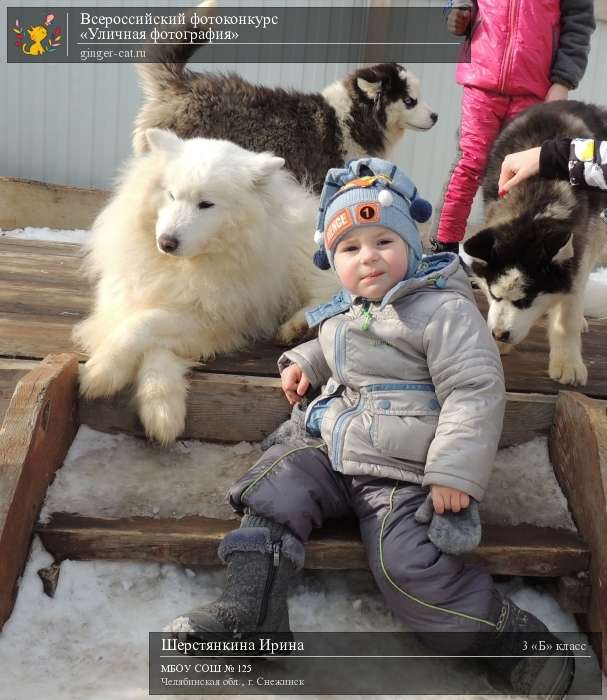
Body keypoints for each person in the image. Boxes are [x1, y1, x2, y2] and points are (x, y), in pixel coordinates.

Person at [168, 159, 574, 697]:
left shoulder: (443, 312)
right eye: (351, 249)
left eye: (384, 240)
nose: (369, 258)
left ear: (412, 243)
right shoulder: (349, 309)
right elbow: (340, 343)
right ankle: (252, 613)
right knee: (272, 490)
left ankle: (510, 640)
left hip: (401, 469)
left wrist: (454, 471)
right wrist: (306, 364)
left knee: (408, 567)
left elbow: (473, 391)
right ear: (333, 261)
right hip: (334, 446)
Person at [430, 0, 595, 254]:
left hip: (534, 88)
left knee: (518, 174)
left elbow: (578, 25)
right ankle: (442, 249)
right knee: (470, 162)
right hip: (482, 79)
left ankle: (500, 255)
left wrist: (563, 81)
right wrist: (458, 11)